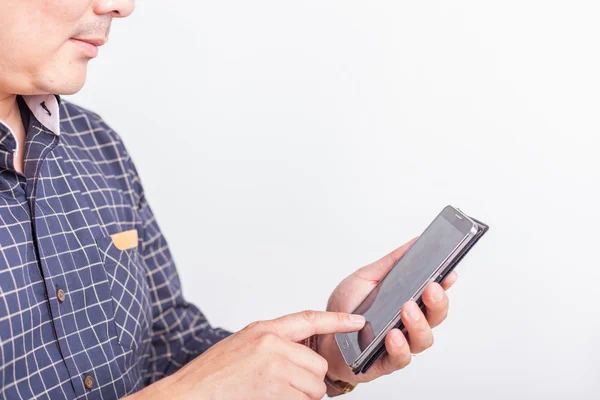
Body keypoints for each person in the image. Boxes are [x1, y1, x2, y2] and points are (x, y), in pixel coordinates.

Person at [0, 1, 458, 399]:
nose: (122, 6)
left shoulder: (96, 145)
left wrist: (327, 353)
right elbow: (192, 388)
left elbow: (167, 342)